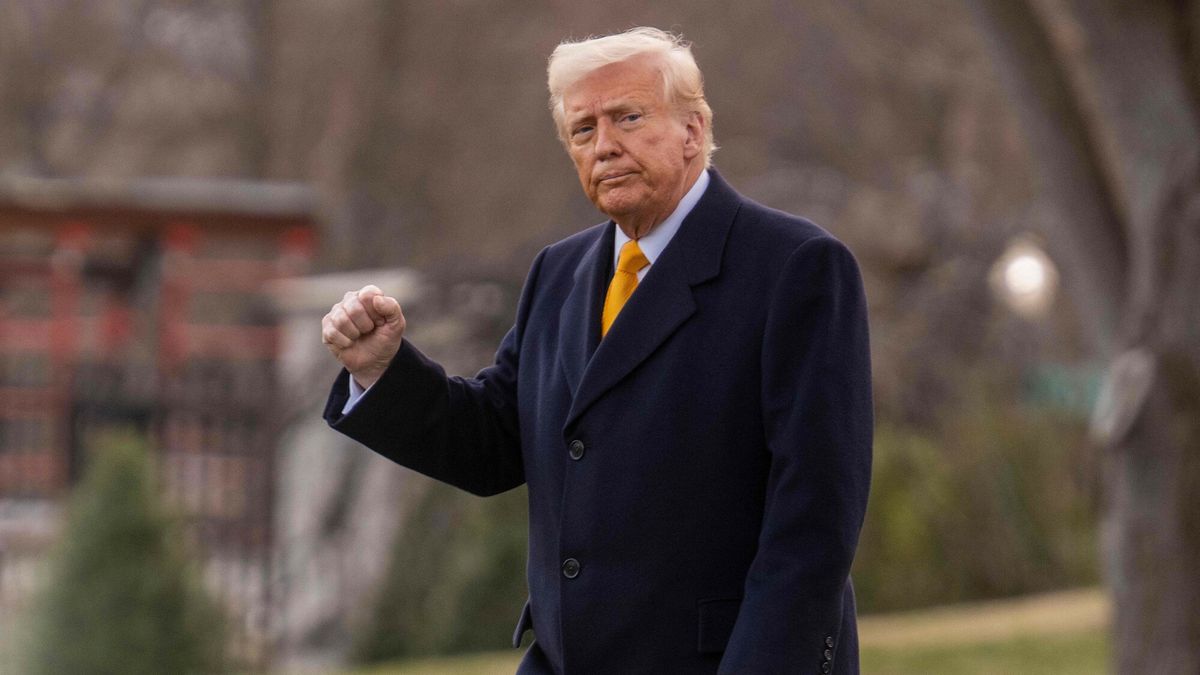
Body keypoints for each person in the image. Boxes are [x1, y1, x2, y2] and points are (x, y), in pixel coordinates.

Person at [321, 27, 872, 675]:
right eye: (583, 131)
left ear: (694, 129)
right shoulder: (559, 272)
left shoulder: (796, 268)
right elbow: (496, 443)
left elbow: (813, 522)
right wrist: (382, 371)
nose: (605, 145)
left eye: (629, 118)